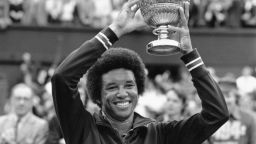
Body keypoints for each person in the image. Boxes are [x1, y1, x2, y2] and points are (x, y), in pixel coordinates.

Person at [51, 0, 229, 144]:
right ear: (97, 95)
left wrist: (190, 55)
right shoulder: (82, 129)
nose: (122, 93)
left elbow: (217, 115)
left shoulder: (161, 135)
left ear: (139, 89)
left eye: (129, 85)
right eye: (112, 87)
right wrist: (116, 30)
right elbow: (62, 78)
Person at [208, 78, 256, 144]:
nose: (224, 100)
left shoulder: (248, 119)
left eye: (228, 96)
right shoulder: (208, 119)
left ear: (236, 97)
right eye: (221, 96)